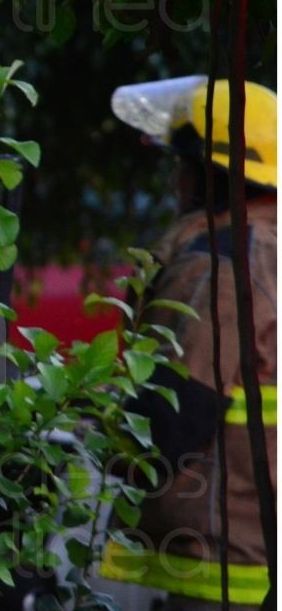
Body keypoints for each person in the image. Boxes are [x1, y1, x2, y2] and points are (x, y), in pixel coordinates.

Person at [101, 77, 277, 610]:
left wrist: (71, 436)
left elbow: (167, 426)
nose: (176, 182)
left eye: (182, 166)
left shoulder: (220, 266)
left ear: (210, 177)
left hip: (223, 568)